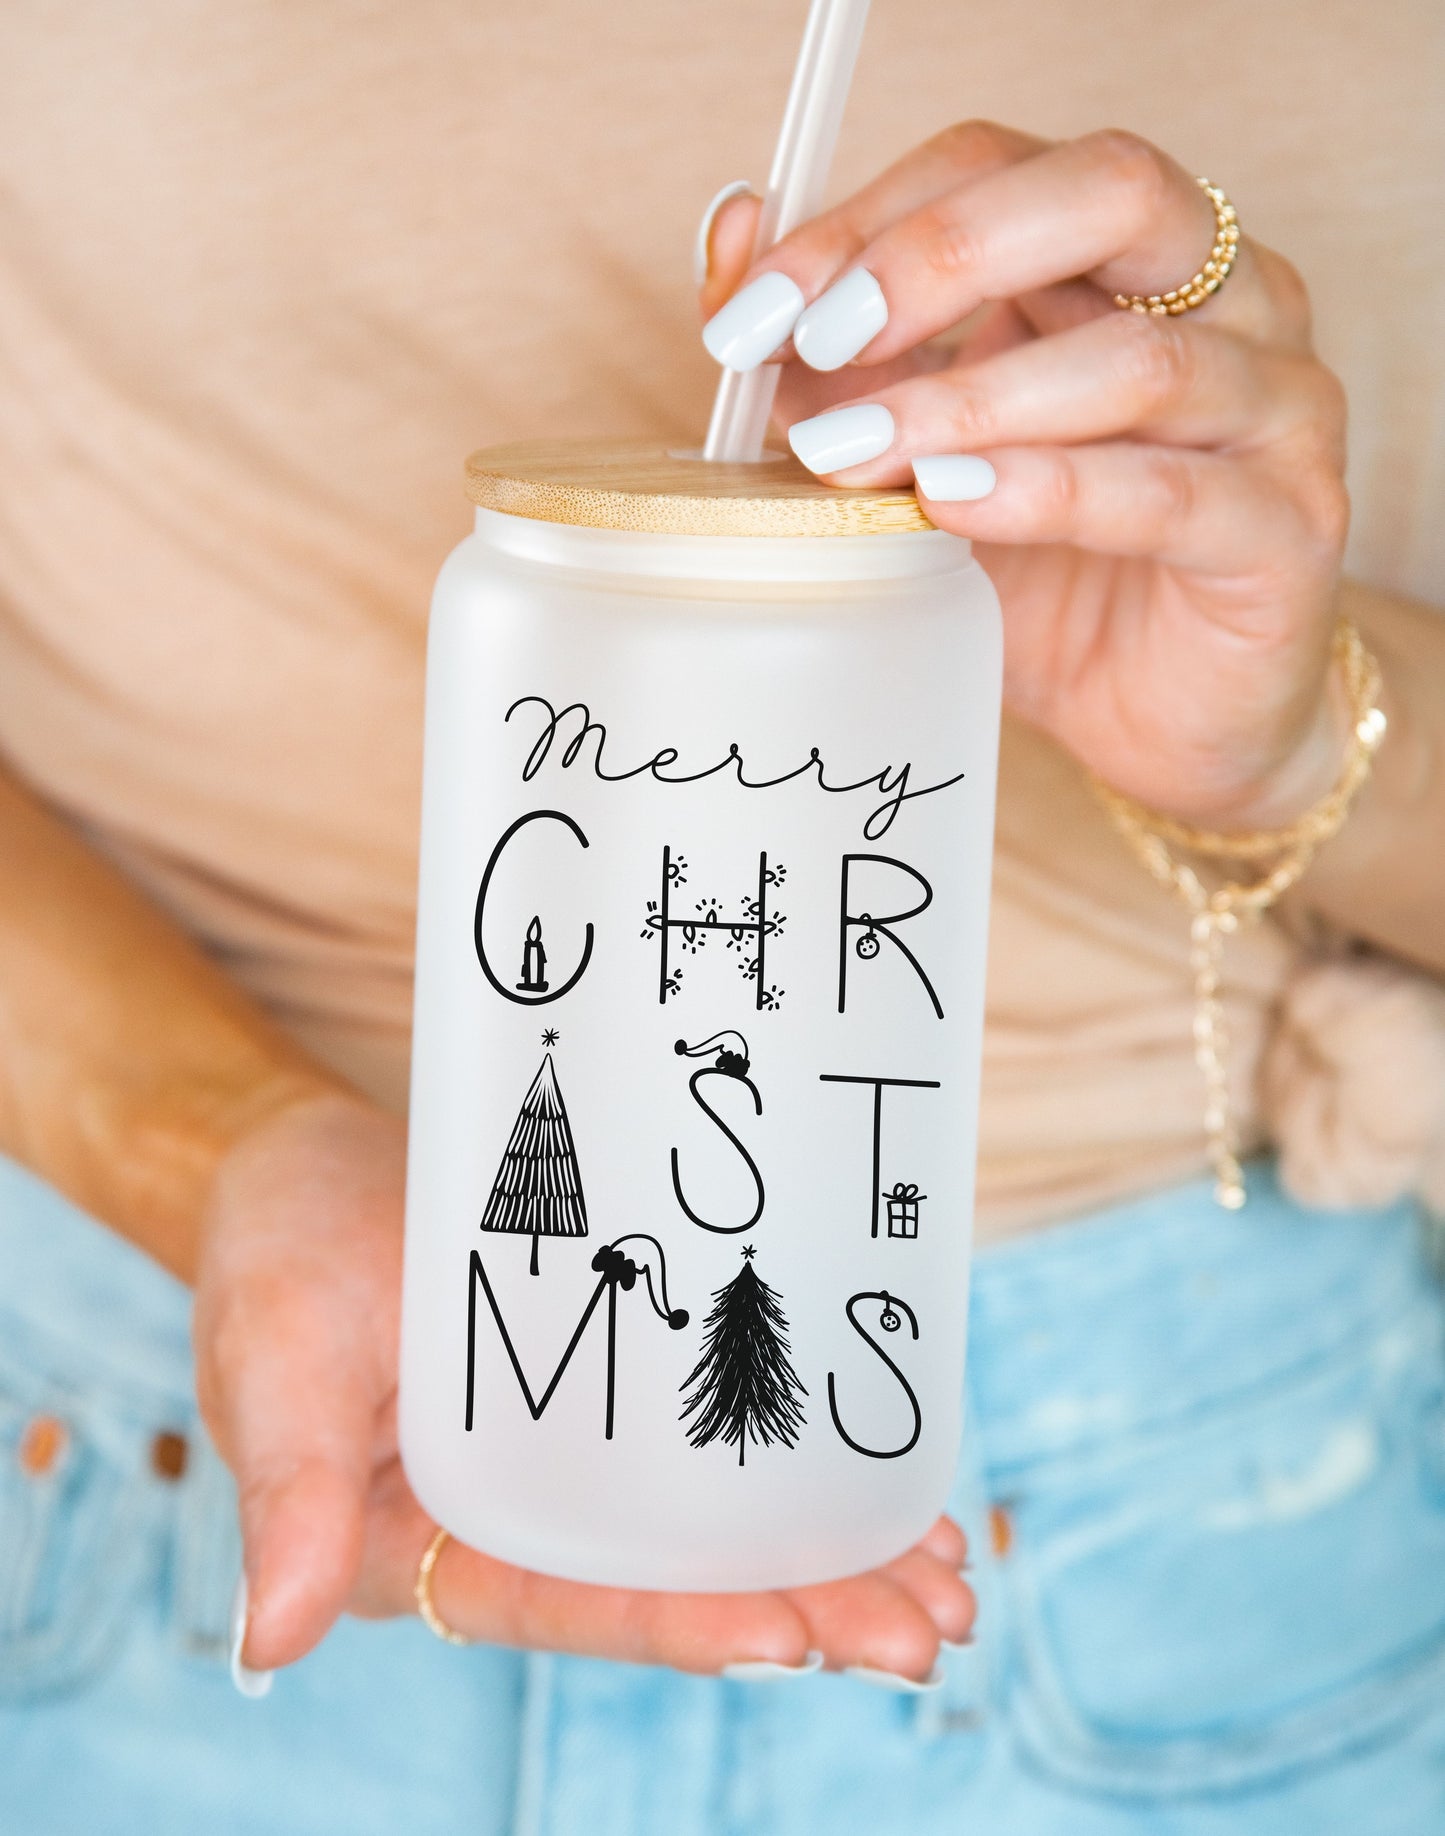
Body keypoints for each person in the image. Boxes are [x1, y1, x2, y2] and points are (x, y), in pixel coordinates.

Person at [1, 3, 1443, 1831]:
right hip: (138, 1450)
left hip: (1205, 1541)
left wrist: (1304, 732)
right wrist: (211, 1139)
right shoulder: (513, 603)